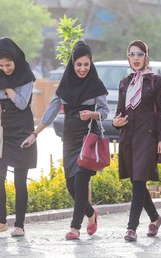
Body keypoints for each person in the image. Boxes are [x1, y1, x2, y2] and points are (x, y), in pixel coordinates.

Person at [21, 40, 109, 240]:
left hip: (88, 137)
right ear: (72, 64)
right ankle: (90, 213)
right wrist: (35, 133)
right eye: (79, 64)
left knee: (80, 181)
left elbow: (104, 111)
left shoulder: (96, 84)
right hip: (69, 138)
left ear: (91, 64)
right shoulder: (65, 84)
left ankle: (74, 227)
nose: (83, 68)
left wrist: (93, 115)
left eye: (86, 64)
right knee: (71, 185)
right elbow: (51, 112)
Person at [112, 40, 161, 241]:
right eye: (132, 54)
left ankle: (131, 228)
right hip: (128, 137)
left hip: (148, 137)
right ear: (128, 57)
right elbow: (119, 112)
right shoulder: (124, 82)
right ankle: (155, 218)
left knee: (138, 182)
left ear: (146, 57)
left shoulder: (155, 81)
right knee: (137, 183)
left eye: (139, 54)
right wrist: (116, 122)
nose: (136, 58)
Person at [0, 37, 37, 237]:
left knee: (19, 180)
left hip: (22, 130)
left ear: (15, 60)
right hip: (3, 131)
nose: (5, 69)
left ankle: (19, 225)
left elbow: (22, 103)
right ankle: (1, 222)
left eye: (8, 65)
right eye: (1, 65)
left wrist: (7, 87)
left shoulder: (27, 75)